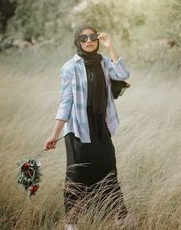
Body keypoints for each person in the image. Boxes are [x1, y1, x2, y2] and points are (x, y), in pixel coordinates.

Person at [44, 26, 135, 230]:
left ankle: (122, 219)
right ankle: (71, 223)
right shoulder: (70, 67)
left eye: (92, 37)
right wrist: (54, 134)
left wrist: (110, 47)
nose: (88, 41)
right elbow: (65, 102)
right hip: (77, 129)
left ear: (97, 39)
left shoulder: (103, 62)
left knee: (108, 171)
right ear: (78, 41)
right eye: (83, 37)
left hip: (100, 127)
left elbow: (123, 73)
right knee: (76, 176)